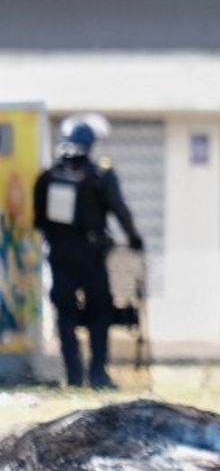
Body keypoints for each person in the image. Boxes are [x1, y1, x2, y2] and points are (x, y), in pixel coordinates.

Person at [32, 117, 144, 389]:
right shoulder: (100, 177)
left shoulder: (47, 177)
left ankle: (73, 376)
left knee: (66, 315)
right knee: (100, 313)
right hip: (92, 257)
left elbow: (38, 221)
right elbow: (120, 210)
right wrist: (134, 239)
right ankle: (97, 374)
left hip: (59, 256)